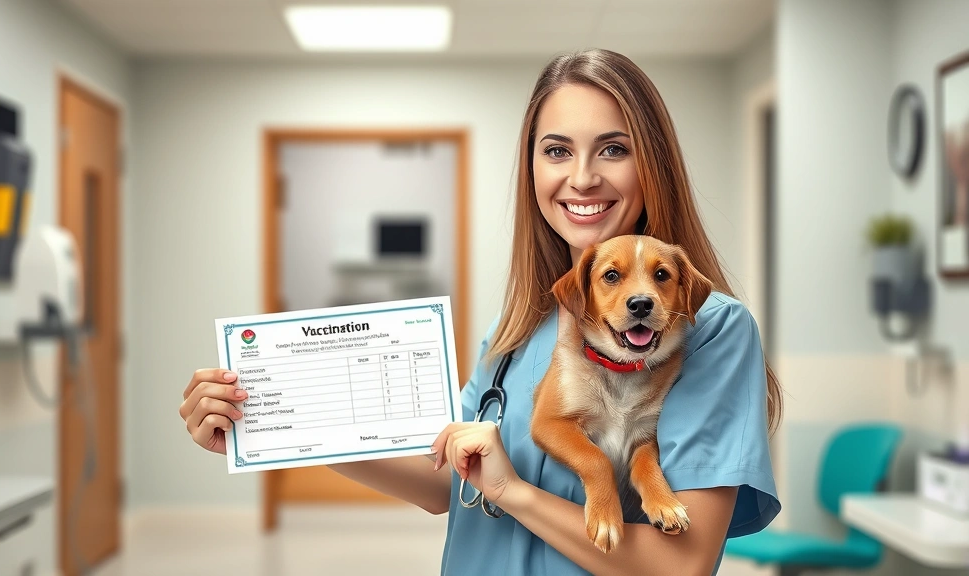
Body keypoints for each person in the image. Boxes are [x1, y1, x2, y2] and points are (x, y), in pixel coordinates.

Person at [179, 48, 783, 576]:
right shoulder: (516, 329)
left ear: (652, 164)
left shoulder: (710, 330)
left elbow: (678, 567)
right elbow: (449, 481)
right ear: (532, 167)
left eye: (613, 149)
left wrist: (514, 493)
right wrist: (282, 430)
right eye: (556, 150)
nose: (581, 177)